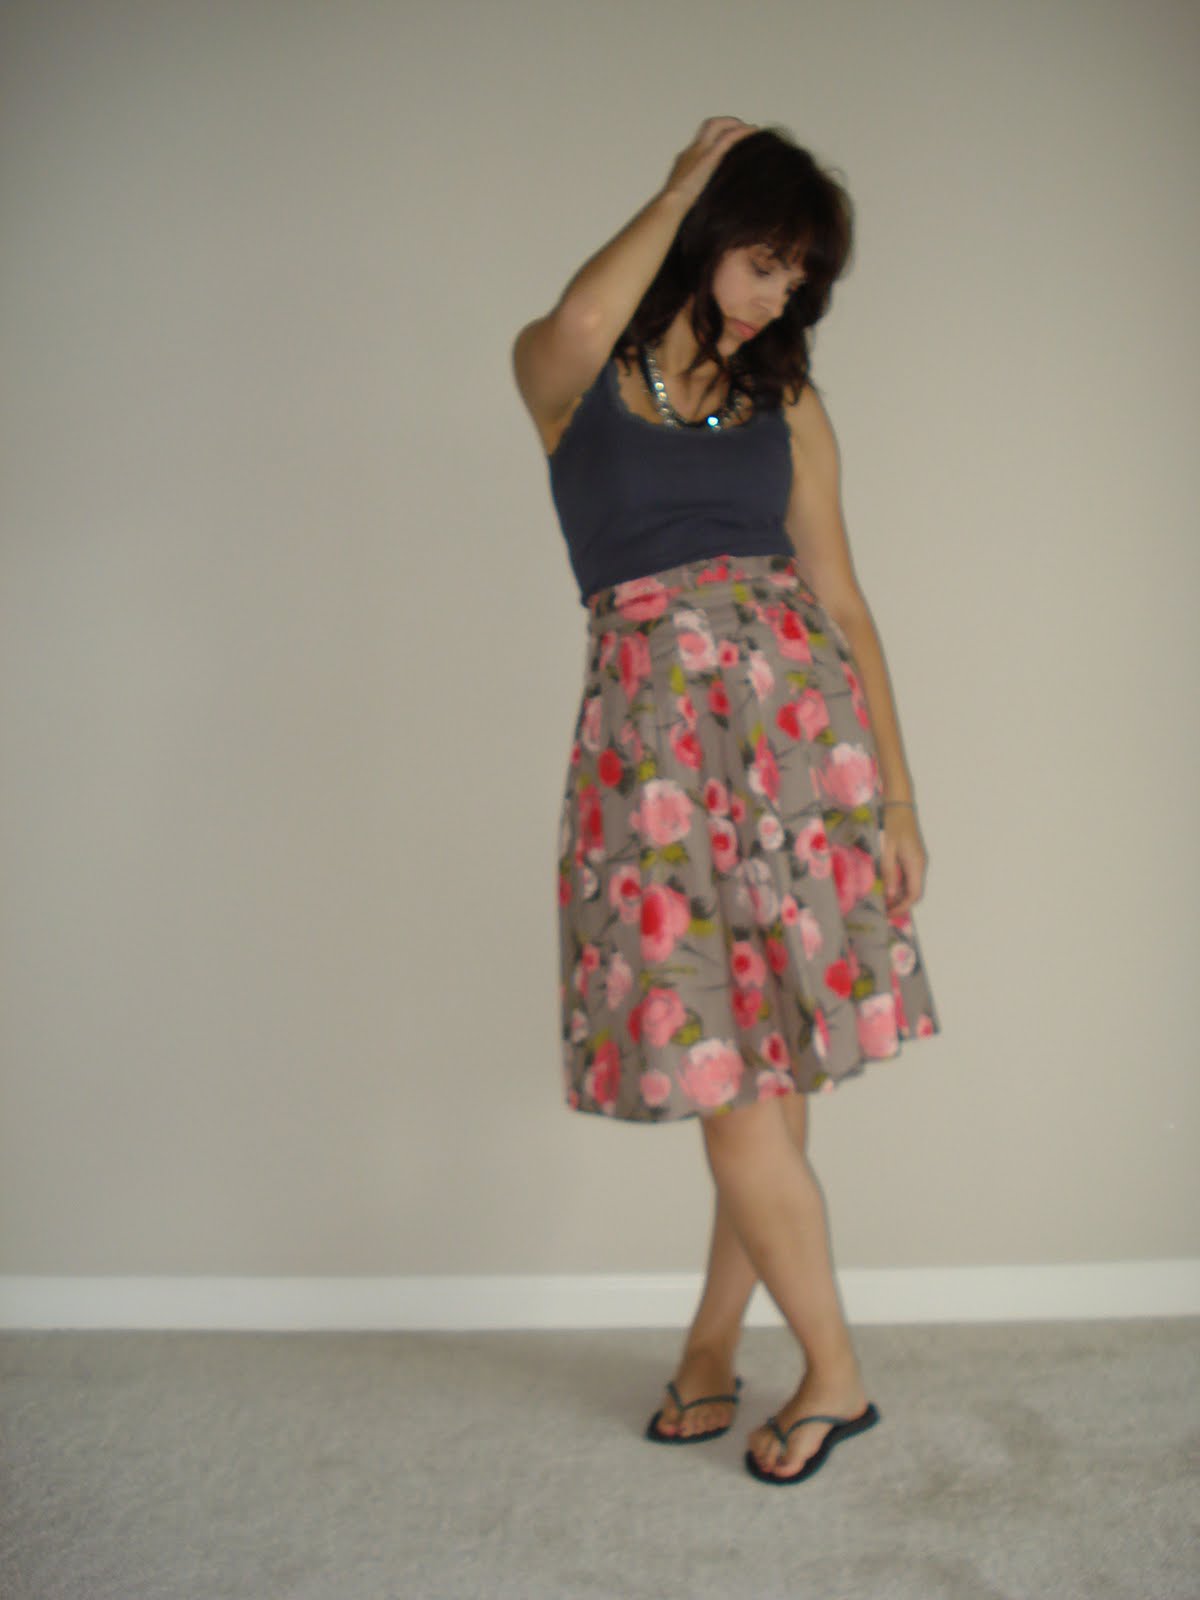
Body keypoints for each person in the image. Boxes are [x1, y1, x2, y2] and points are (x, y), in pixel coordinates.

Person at [510, 117, 941, 1486]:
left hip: (801, 743)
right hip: (655, 756)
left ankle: (774, 1362)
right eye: (763, 260)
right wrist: (684, 182)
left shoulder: (787, 402)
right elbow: (586, 314)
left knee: (769, 1074)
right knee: (730, 1075)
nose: (776, 297)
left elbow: (846, 601)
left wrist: (901, 801)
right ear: (706, 237)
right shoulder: (572, 379)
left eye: (799, 278)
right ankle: (774, 1356)